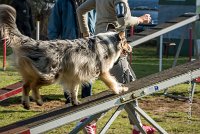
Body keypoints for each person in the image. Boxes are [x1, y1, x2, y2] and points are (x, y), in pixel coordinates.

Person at [76, 0, 156, 134]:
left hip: (100, 44)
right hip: (112, 47)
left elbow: (80, 10)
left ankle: (137, 126)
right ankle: (89, 121)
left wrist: (86, 33)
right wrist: (141, 19)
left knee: (130, 85)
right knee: (123, 89)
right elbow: (124, 20)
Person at [47, 0, 96, 133]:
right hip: (69, 45)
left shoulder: (90, 1)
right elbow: (54, 25)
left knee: (87, 76)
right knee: (69, 77)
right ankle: (69, 104)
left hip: (87, 44)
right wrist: (53, 46)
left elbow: (96, 19)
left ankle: (87, 105)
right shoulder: (61, 3)